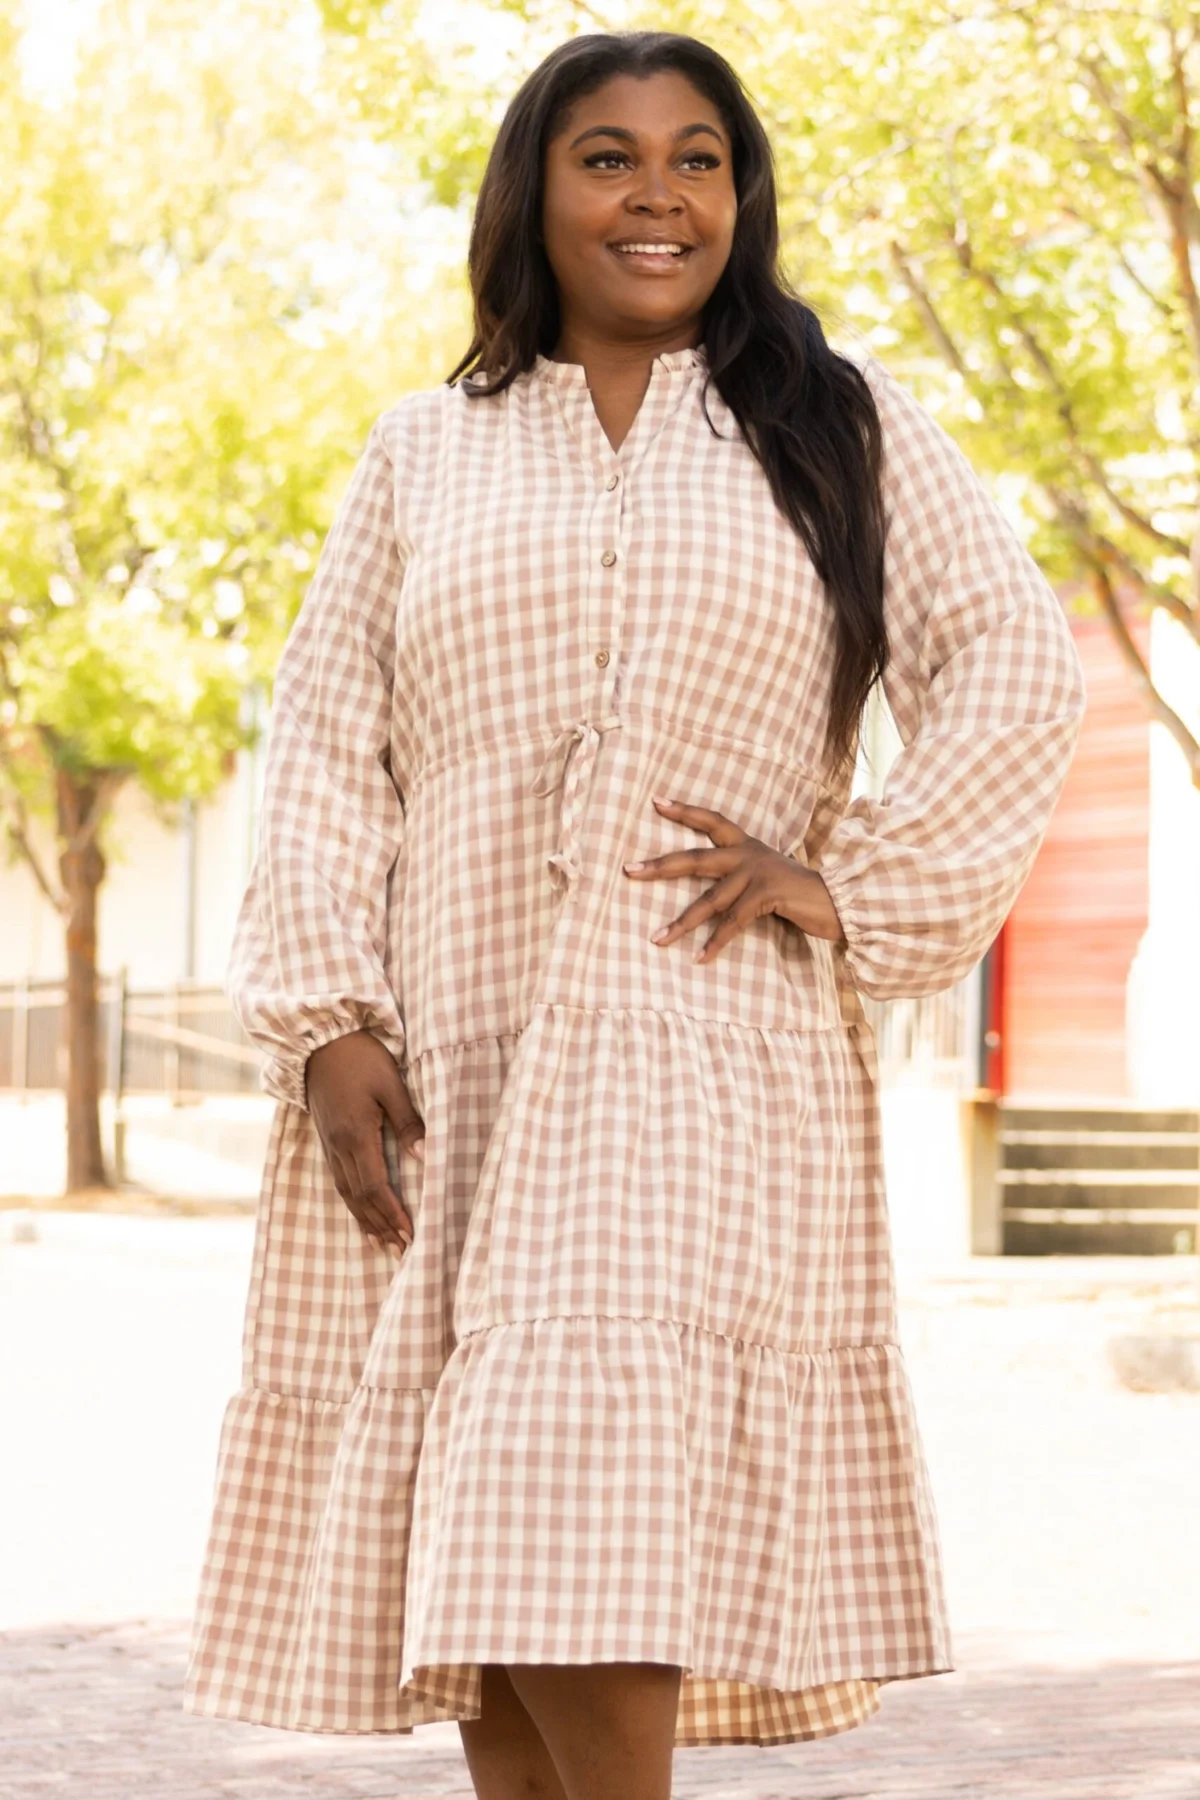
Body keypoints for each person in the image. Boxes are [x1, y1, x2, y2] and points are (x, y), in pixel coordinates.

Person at [182, 28, 1087, 1800]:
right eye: (609, 157)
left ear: (742, 200)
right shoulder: (423, 452)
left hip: (703, 1045)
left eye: (699, 160)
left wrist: (851, 879)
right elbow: (326, 746)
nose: (658, 195)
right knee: (491, 1533)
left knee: (565, 1472)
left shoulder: (838, 426)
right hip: (454, 1049)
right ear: (535, 193)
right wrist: (325, 1020)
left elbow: (1013, 667)